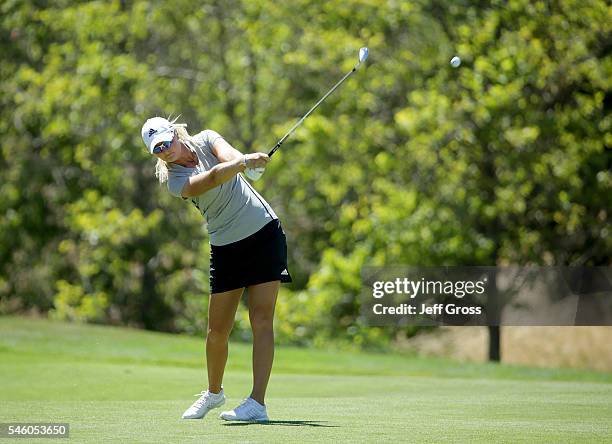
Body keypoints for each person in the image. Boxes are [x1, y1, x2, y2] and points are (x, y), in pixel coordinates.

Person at [141, 116, 292, 422]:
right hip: (226, 248)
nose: (165, 151)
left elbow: (230, 158)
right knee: (216, 331)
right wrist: (243, 164)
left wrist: (248, 163)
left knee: (261, 319)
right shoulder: (175, 182)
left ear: (175, 134)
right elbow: (210, 180)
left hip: (264, 233)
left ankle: (257, 403)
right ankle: (213, 393)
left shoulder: (207, 138)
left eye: (167, 143)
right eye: (158, 149)